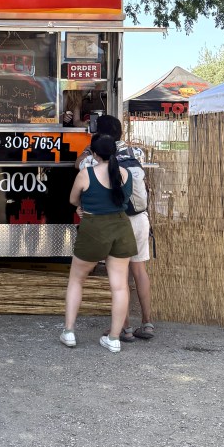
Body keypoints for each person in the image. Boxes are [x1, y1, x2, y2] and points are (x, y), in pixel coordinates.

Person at [60, 134, 137, 353]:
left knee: (77, 279)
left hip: (94, 228)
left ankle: (69, 332)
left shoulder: (86, 174)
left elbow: (73, 199)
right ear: (114, 152)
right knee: (119, 286)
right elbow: (123, 199)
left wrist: (82, 207)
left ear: (94, 154)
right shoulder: (126, 174)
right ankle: (114, 338)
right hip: (121, 228)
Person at [80, 115, 155, 341]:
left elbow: (78, 166)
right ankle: (147, 324)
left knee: (119, 275)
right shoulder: (136, 153)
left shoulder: (94, 158)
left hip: (117, 221)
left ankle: (125, 328)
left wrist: (87, 150)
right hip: (140, 218)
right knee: (139, 271)